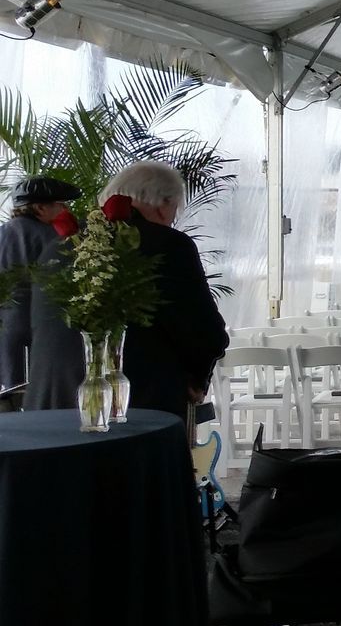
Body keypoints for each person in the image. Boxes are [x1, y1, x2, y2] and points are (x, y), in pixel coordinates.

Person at [101, 162, 228, 432]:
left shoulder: (66, 243)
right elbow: (202, 329)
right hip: (145, 403)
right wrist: (198, 378)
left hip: (62, 403)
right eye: (175, 210)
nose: (172, 219)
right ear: (164, 204)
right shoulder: (169, 244)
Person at [1, 177, 82, 393]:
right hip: (40, 327)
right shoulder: (52, 238)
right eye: (62, 204)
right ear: (39, 208)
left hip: (5, 327)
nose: (66, 210)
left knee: (9, 395)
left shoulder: (2, 232)